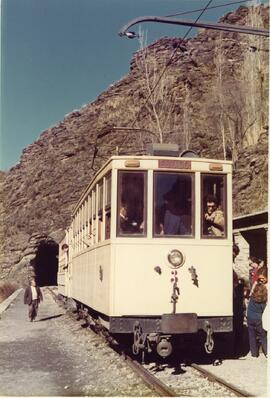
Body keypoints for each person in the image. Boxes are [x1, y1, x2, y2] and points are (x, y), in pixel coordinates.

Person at [246, 268, 268, 358]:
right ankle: (267, 352)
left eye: (263, 278)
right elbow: (264, 308)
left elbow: (250, 297)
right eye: (260, 278)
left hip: (250, 317)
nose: (261, 280)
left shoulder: (252, 298)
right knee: (262, 336)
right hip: (259, 318)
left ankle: (254, 354)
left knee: (251, 336)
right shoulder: (262, 302)